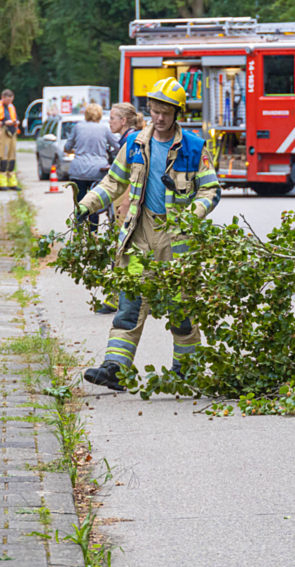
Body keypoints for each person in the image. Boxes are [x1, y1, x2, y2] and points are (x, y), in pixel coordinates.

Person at [76, 78, 221, 391]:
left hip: (177, 242)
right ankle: (115, 368)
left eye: (165, 112)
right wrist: (85, 206)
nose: (159, 118)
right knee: (129, 302)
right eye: (155, 111)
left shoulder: (194, 148)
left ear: (176, 113)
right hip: (140, 238)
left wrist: (193, 216)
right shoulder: (135, 145)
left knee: (181, 309)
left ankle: (187, 372)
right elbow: (113, 183)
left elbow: (211, 189)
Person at [96, 102, 146, 315]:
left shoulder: (132, 141)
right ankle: (134, 295)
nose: (109, 121)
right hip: (124, 201)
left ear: (123, 121)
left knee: (123, 249)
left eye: (113, 118)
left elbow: (134, 177)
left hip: (126, 203)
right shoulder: (126, 140)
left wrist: (125, 204)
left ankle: (119, 297)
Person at [64, 103, 120, 231]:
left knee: (80, 204)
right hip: (97, 171)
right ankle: (93, 234)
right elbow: (118, 146)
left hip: (78, 171)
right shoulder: (104, 129)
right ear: (100, 115)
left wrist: (75, 150)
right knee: (95, 202)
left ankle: (78, 234)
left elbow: (67, 147)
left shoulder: (77, 127)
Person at [0, 89, 19, 191]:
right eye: (7, 100)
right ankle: (2, 183)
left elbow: (14, 117)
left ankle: (12, 182)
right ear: (2, 97)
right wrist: (4, 123)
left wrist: (16, 122)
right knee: (2, 157)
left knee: (11, 158)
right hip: (2, 132)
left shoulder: (12, 107)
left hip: (12, 132)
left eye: (10, 100)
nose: (9, 102)